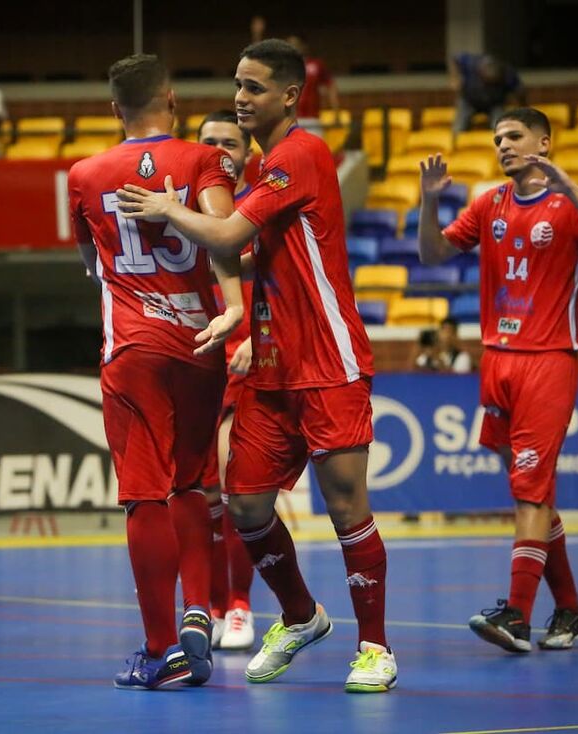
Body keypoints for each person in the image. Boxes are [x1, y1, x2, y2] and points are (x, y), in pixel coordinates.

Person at [117, 38, 396, 693]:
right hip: (270, 368)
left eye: (253, 88)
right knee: (244, 506)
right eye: (237, 86)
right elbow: (242, 255)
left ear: (290, 95)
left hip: (328, 361)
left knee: (347, 506)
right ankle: (299, 616)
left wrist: (163, 207)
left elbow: (228, 236)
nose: (241, 98)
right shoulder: (264, 168)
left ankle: (376, 648)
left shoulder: (301, 155)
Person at [416, 107, 578, 652]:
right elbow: (431, 253)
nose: (503, 145)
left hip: (548, 361)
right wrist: (427, 200)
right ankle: (571, 608)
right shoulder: (488, 202)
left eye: (514, 136)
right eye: (497, 138)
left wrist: (569, 185)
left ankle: (517, 614)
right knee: (531, 490)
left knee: (528, 492)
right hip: (497, 360)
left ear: (544, 140)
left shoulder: (570, 202)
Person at [67, 54, 244, 690]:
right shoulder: (202, 159)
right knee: (194, 482)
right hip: (202, 341)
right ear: (171, 100)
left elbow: (90, 261)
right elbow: (228, 237)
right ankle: (201, 606)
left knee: (145, 494)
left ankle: (162, 649)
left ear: (116, 109)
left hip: (134, 349)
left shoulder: (84, 174)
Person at [197, 110, 258, 652]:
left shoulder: (261, 207)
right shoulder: (179, 209)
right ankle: (212, 605)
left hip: (249, 365)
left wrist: (261, 340)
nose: (219, 149)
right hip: (194, 358)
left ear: (246, 153)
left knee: (236, 490)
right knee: (201, 497)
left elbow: (289, 288)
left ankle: (239, 606)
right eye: (208, 142)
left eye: (229, 142)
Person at [449, 53, 524, 134]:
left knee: (500, 128)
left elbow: (519, 92)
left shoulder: (509, 74)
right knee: (458, 128)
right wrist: (455, 76)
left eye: (493, 83)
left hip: (495, 104)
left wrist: (522, 113)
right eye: (487, 82)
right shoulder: (470, 63)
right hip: (469, 101)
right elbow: (454, 58)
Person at [286, 34, 340, 138]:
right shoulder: (283, 68)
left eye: (295, 44)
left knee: (315, 151)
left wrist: (336, 112)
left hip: (312, 119)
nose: (293, 47)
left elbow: (331, 86)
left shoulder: (316, 65)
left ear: (303, 46)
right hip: (291, 120)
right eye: (289, 45)